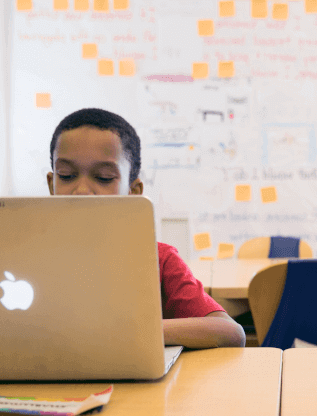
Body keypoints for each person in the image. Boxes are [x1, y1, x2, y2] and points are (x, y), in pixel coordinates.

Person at [47, 107, 245, 348]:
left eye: (104, 177)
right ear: (52, 183)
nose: (82, 191)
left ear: (133, 192)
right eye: (66, 175)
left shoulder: (158, 259)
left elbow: (230, 333)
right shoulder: (31, 257)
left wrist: (135, 330)